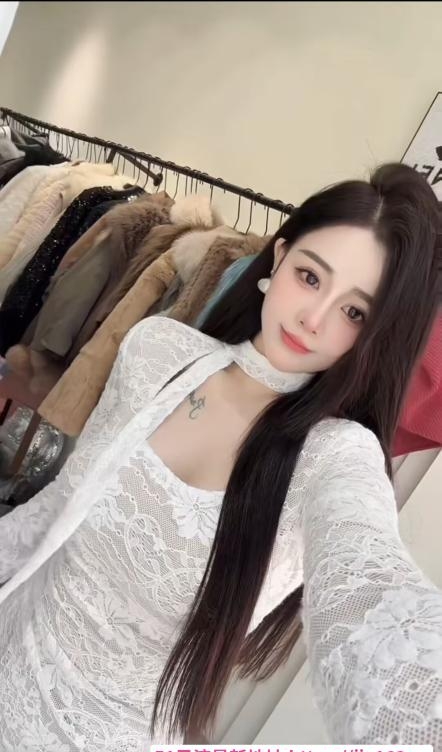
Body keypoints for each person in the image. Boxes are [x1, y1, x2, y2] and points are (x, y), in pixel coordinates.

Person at [0, 162, 440, 751]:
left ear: (376, 335)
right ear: (279, 257)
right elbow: (60, 505)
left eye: (354, 312)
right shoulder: (158, 351)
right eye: (310, 277)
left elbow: (371, 596)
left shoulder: (334, 455)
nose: (313, 319)